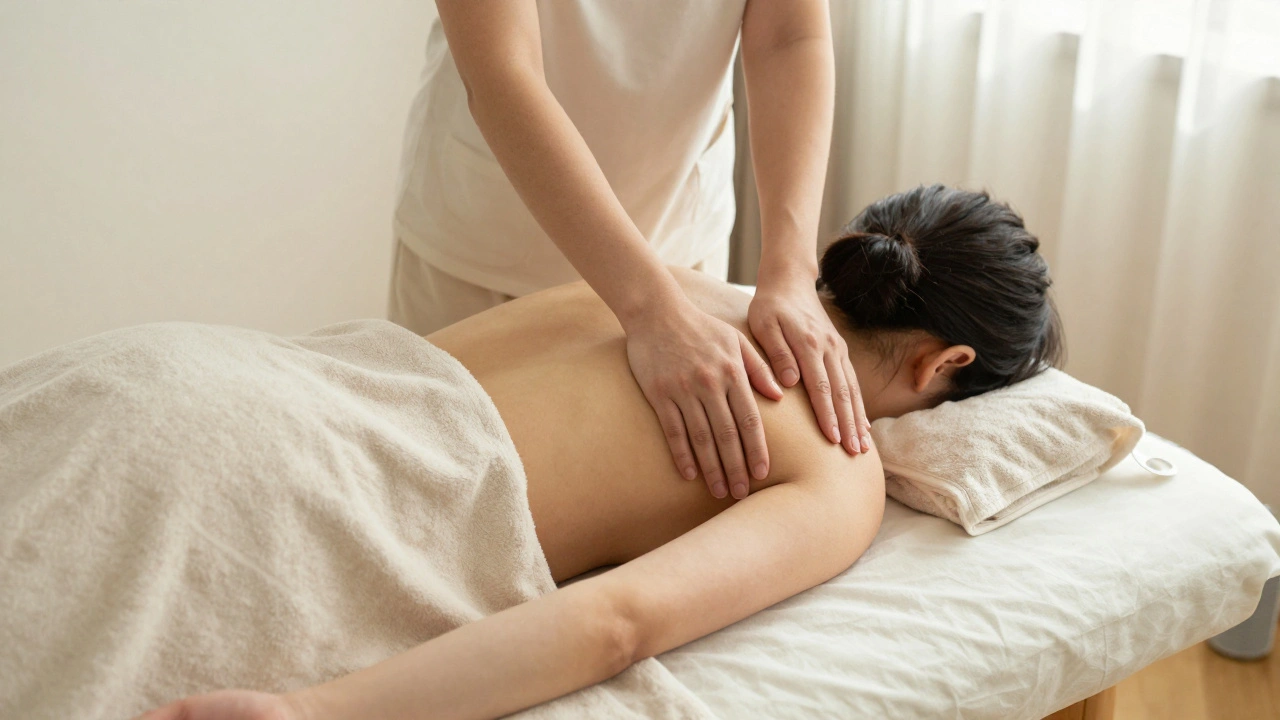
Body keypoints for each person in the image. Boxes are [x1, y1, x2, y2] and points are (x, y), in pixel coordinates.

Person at [141, 186, 1064, 720]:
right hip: (292, 502)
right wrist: (310, 716)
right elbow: (615, 622)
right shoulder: (839, 466)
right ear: (946, 364)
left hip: (205, 374)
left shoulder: (662, 287)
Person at [389, 0, 869, 502]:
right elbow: (503, 70)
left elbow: (789, 37)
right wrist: (653, 310)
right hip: (488, 244)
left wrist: (793, 269)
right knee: (421, 489)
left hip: (679, 237)